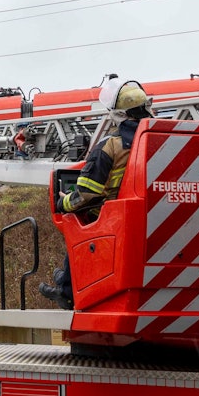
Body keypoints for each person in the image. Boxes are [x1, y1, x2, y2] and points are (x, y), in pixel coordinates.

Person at [39, 78, 153, 308]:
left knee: (75, 219)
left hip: (116, 221)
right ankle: (65, 280)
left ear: (118, 114)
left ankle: (67, 291)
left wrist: (64, 203)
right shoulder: (161, 139)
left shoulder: (110, 147)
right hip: (155, 216)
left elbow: (87, 195)